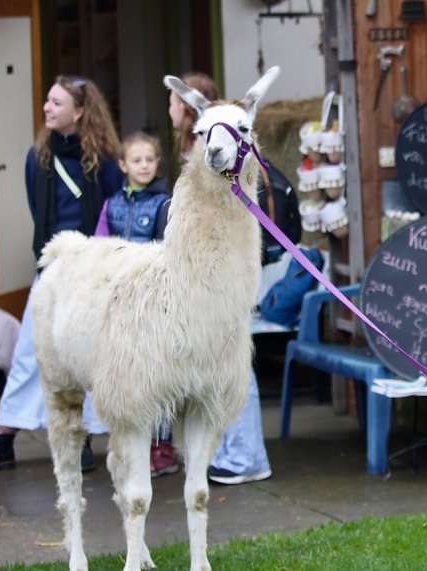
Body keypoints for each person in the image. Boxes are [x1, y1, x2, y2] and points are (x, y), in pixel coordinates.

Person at [0, 76, 124, 474]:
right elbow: (40, 213)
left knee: (86, 356)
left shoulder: (104, 161)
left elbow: (113, 213)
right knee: (29, 353)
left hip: (91, 269)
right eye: (47, 101)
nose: (47, 108)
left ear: (80, 111)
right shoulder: (39, 157)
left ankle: (81, 438)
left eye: (56, 102)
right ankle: (2, 439)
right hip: (53, 266)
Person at [167, 71, 272, 485]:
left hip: (226, 271)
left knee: (232, 350)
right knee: (214, 355)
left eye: (177, 104)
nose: (172, 109)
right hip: (204, 271)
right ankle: (226, 451)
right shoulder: (200, 157)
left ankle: (246, 455)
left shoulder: (239, 161)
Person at [92, 130, 177, 478]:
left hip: (153, 304)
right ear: (122, 164)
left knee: (158, 378)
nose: (144, 166)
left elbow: (167, 250)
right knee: (129, 379)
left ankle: (163, 449)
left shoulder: (164, 203)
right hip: (120, 304)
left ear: (158, 163)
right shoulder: (111, 204)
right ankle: (134, 448)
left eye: (150, 160)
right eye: (136, 160)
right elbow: (99, 247)